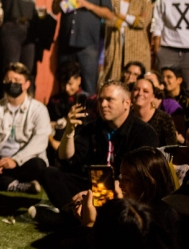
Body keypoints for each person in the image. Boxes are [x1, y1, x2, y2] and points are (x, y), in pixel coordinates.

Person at [36, 81, 158, 214]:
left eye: (109, 99)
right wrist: (69, 131)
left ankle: (73, 218)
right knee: (49, 173)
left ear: (126, 103)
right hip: (92, 186)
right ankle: (74, 215)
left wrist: (97, 193)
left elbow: (138, 178)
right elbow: (67, 159)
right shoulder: (93, 128)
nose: (103, 104)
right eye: (101, 100)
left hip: (124, 191)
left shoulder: (144, 133)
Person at [74, 147, 180, 248]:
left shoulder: (154, 222)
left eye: (127, 180)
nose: (120, 184)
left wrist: (89, 225)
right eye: (121, 177)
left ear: (148, 184)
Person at [0, 63, 51, 194]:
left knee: (39, 165)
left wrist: (16, 160)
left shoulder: (39, 109)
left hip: (23, 161)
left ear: (27, 84)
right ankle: (15, 184)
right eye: (8, 80)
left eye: (17, 81)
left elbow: (40, 141)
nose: (12, 83)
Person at [51, 0, 113, 95]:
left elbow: (109, 14)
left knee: (89, 87)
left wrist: (87, 4)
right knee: (64, 85)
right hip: (66, 45)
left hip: (88, 46)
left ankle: (89, 117)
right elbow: (54, 9)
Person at [100, 0, 152, 84]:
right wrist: (123, 21)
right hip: (115, 44)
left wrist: (122, 16)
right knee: (113, 78)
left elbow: (142, 22)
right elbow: (108, 17)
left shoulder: (144, 0)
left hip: (137, 46)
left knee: (136, 79)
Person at [46, 61, 96, 166]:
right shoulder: (55, 101)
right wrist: (52, 141)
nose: (67, 88)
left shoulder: (91, 101)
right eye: (63, 84)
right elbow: (44, 125)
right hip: (56, 144)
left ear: (79, 80)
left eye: (70, 84)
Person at [152, 0, 189, 94]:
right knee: (165, 85)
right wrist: (157, 45)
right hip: (168, 48)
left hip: (188, 49)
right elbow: (157, 22)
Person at [131, 77, 178, 147]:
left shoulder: (164, 119)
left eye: (145, 91)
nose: (140, 93)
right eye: (136, 90)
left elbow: (172, 149)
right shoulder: (126, 117)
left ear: (152, 97)